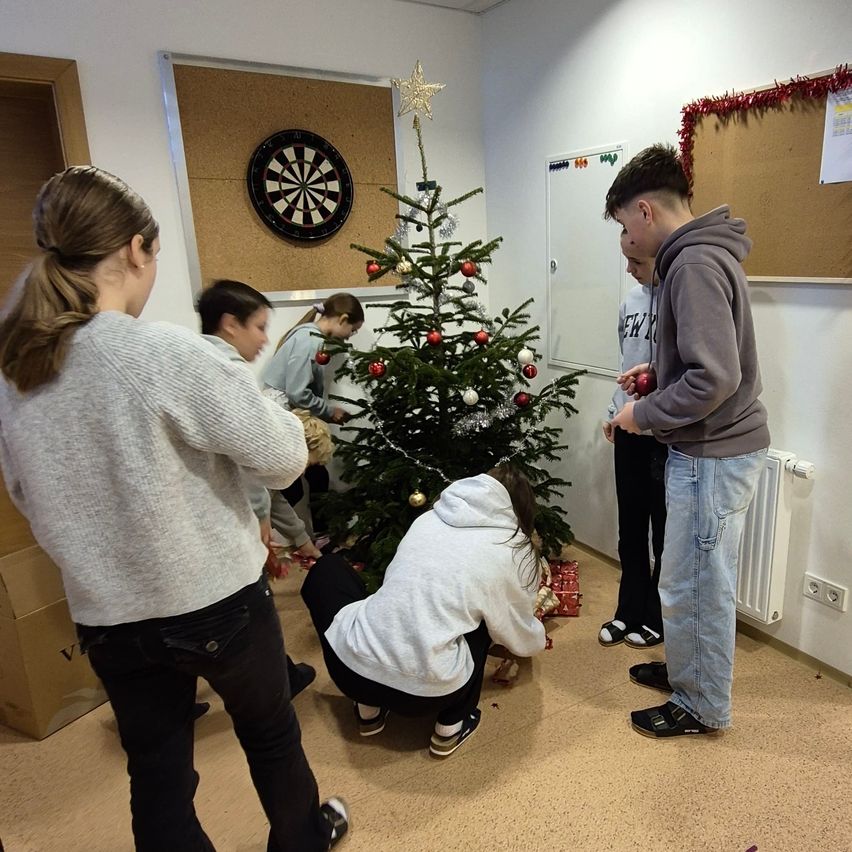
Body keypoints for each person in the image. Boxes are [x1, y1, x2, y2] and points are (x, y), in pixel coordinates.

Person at [0, 166, 349, 850]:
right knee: (272, 736)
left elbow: (25, 495)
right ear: (136, 249)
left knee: (158, 772)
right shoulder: (162, 352)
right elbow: (281, 459)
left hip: (107, 613)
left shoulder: (21, 369)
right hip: (215, 598)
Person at [605, 144, 770, 738]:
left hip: (713, 453)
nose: (626, 237)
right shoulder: (697, 256)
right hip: (710, 447)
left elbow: (715, 379)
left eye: (624, 225)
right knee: (683, 577)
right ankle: (686, 674)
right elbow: (707, 365)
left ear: (644, 211)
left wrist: (640, 414)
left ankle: (701, 706)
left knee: (696, 582)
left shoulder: (692, 264)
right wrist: (657, 376)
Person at [301, 465, 546, 759]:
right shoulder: (513, 547)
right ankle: (452, 724)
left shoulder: (428, 518)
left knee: (327, 570)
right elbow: (514, 629)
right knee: (484, 622)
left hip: (350, 673)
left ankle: (368, 710)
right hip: (428, 695)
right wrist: (535, 639)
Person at [196, 278, 318, 696]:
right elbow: (261, 467)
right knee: (250, 613)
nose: (267, 339)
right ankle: (278, 681)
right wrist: (261, 520)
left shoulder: (189, 365)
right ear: (231, 324)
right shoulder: (226, 375)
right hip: (230, 523)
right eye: (261, 327)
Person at [599, 238, 667, 650]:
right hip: (627, 428)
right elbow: (626, 362)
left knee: (663, 530)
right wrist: (614, 410)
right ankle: (628, 610)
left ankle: (655, 615)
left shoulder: (678, 301)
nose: (629, 269)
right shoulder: (630, 301)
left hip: (663, 435)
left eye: (637, 261)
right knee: (630, 528)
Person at [261, 294, 364, 538]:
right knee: (290, 484)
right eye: (353, 329)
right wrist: (329, 411)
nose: (351, 336)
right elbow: (298, 392)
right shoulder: (309, 341)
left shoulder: (310, 337)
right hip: (282, 414)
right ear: (343, 319)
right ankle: (272, 533)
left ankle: (317, 535)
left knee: (316, 475)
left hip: (289, 412)